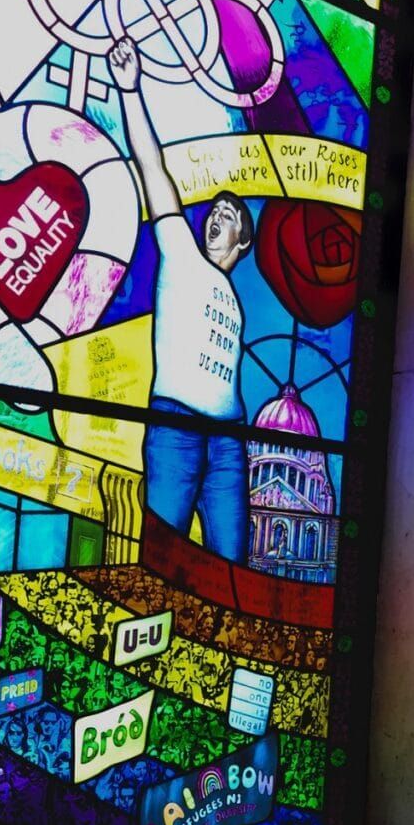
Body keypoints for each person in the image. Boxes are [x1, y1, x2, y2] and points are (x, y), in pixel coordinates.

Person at [108, 35, 252, 560]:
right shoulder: (181, 254)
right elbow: (154, 170)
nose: (216, 216)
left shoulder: (235, 301)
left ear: (244, 241)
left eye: (229, 216)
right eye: (214, 211)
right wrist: (130, 89)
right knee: (164, 554)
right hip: (176, 428)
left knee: (232, 566)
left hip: (229, 440)